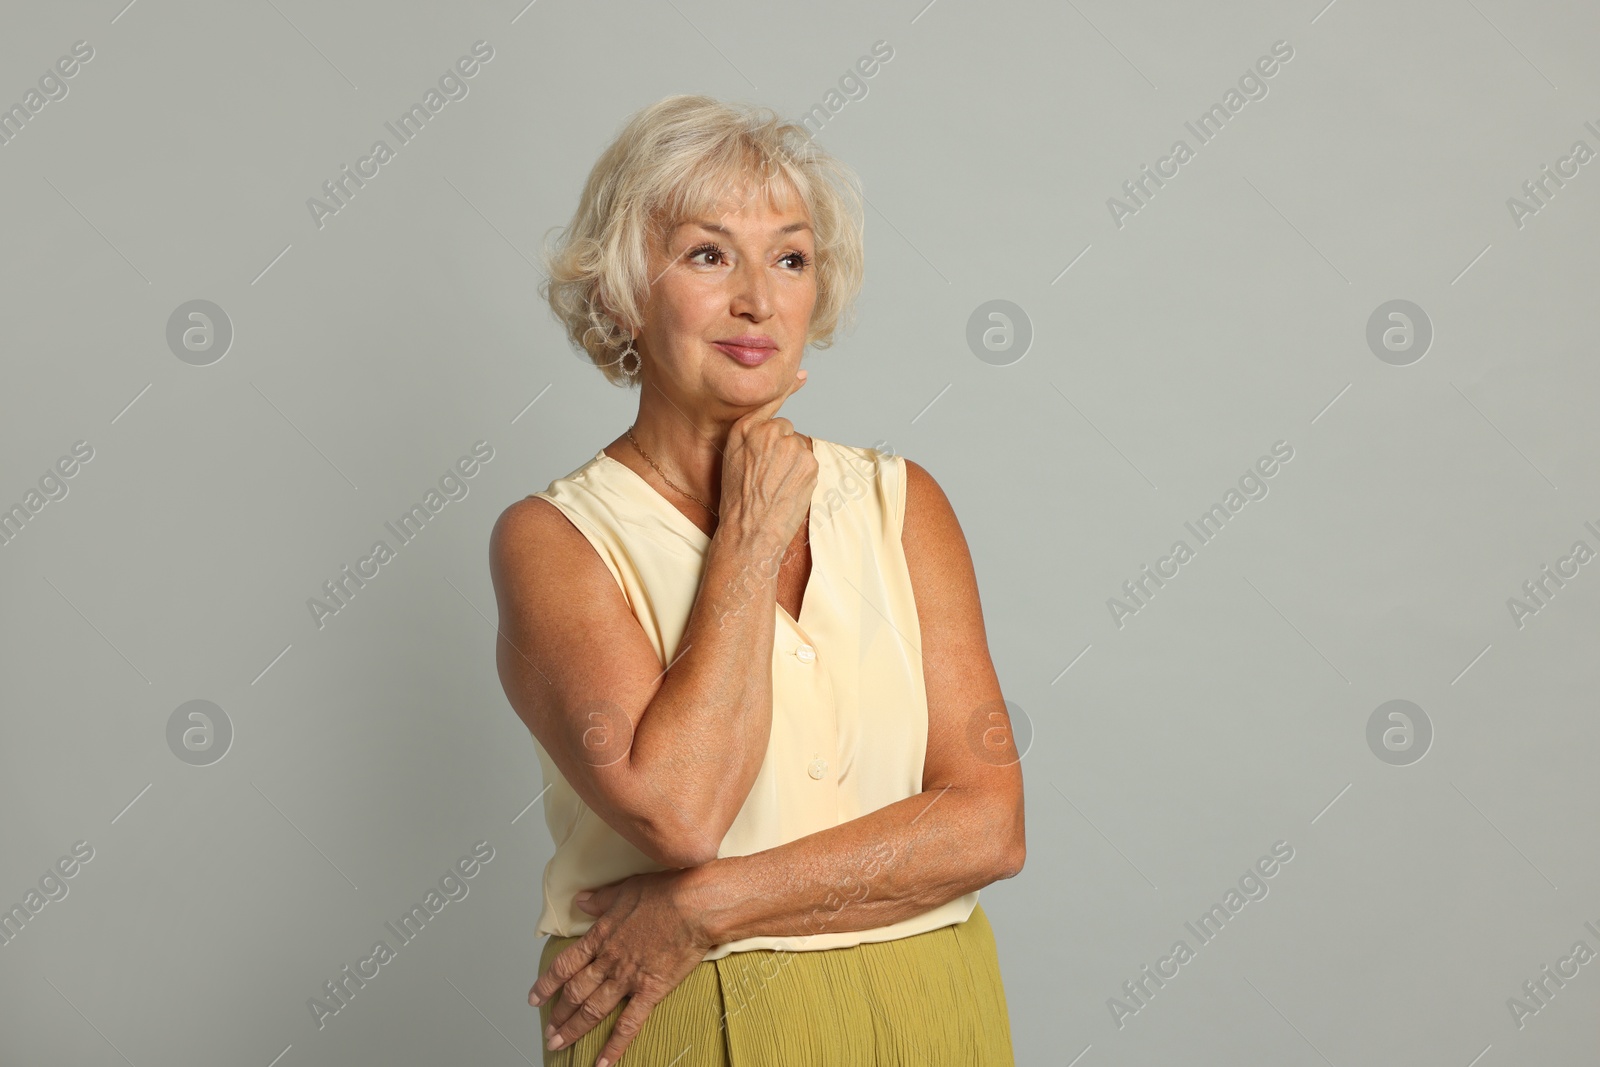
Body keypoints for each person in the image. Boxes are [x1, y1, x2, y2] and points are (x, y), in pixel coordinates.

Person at [488, 93, 1025, 1066]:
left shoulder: (904, 505)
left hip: (929, 995)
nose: (757, 299)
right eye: (707, 254)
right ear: (619, 293)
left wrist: (706, 904)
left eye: (789, 257)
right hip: (683, 1011)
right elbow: (682, 812)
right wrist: (750, 530)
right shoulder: (555, 538)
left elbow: (988, 824)